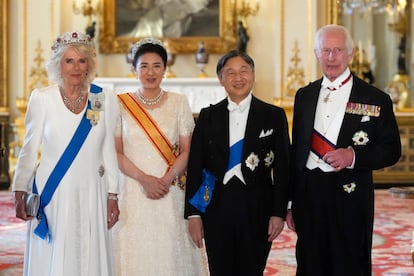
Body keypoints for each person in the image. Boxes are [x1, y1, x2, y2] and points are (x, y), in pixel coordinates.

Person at [286, 24, 402, 276]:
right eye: (325, 50)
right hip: (309, 195)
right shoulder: (304, 96)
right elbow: (297, 153)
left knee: (349, 263)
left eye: (338, 50)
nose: (331, 57)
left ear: (351, 54)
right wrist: (291, 201)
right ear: (316, 54)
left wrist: (354, 156)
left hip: (351, 195)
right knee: (310, 262)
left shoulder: (375, 98)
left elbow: (392, 150)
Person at [12, 31, 120, 276]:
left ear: (89, 65)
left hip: (93, 187)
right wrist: (20, 190)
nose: (75, 67)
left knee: (89, 252)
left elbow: (108, 149)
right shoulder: (43, 98)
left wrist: (113, 193)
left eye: (82, 61)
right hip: (54, 190)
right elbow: (29, 149)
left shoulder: (103, 98)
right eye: (68, 60)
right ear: (58, 64)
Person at [184, 50, 291, 275]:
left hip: (257, 207)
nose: (238, 77)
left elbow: (283, 167)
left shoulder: (273, 115)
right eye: (230, 73)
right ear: (221, 79)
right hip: (216, 208)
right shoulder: (207, 116)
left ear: (253, 75)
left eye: (244, 71)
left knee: (252, 268)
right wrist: (193, 214)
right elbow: (195, 166)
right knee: (219, 268)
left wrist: (279, 212)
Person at [112, 37, 208, 276]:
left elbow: (188, 150)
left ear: (165, 69)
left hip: (170, 190)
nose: (150, 72)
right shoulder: (120, 104)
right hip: (134, 189)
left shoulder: (179, 102)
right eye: (143, 65)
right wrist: (145, 179)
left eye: (156, 65)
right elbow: (116, 152)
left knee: (168, 248)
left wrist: (166, 180)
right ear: (134, 69)